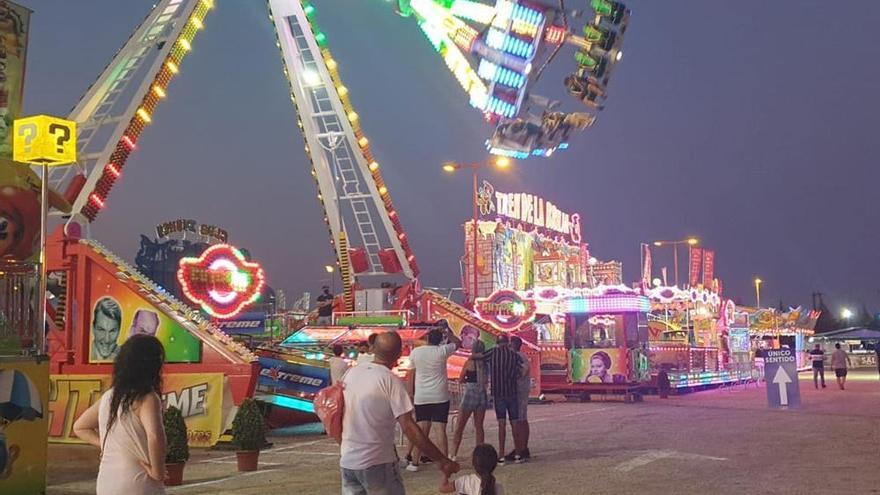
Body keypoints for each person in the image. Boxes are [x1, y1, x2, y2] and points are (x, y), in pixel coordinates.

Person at [340, 331, 459, 495]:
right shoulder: (390, 381)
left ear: (373, 349)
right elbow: (409, 427)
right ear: (398, 354)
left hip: (348, 462)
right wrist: (441, 460)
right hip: (377, 462)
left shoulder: (351, 374)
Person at [73, 335, 167, 495]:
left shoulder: (110, 396)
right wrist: (157, 472)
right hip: (138, 480)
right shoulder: (147, 398)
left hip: (107, 480)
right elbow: (155, 436)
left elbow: (80, 427)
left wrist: (105, 443)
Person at [406, 322, 461, 472]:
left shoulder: (416, 353)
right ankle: (444, 462)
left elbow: (410, 373)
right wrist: (446, 331)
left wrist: (410, 392)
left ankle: (414, 462)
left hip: (422, 396)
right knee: (440, 430)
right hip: (440, 396)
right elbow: (458, 342)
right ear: (440, 340)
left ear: (428, 339)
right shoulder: (442, 351)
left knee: (422, 431)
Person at [486, 335, 523, 465]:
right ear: (507, 343)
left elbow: (480, 357)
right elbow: (521, 369)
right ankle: (518, 454)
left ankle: (501, 455)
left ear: (497, 343)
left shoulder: (493, 352)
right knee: (514, 423)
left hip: (499, 393)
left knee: (501, 424)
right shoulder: (514, 355)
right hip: (512, 393)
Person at [450, 340, 490, 461]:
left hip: (469, 394)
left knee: (460, 427)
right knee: (479, 426)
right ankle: (480, 455)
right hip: (482, 394)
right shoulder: (485, 364)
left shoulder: (469, 362)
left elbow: (461, 378)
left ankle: (453, 455)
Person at [440, 444, 504, 495]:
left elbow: (443, 488)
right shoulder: (498, 488)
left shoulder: (464, 481)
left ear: (473, 463)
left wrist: (446, 471)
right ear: (494, 465)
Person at [509, 336, 531, 461]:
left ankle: (521, 448)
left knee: (519, 420)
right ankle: (522, 447)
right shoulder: (521, 357)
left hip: (519, 392)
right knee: (522, 419)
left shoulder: (519, 357)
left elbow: (522, 372)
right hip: (521, 391)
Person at [91, 297, 123, 361]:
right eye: (101, 330)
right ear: (93, 328)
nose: (107, 340)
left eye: (112, 331)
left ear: (119, 330)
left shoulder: (127, 358)